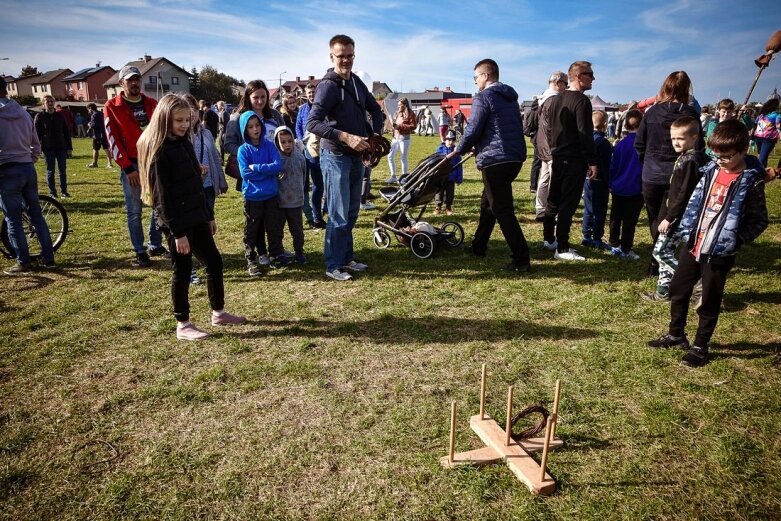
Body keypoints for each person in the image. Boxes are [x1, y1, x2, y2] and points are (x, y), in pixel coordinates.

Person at [647, 119, 768, 367]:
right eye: (716, 154)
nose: (720, 159)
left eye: (726, 156)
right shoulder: (710, 170)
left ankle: (700, 347)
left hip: (719, 252)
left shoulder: (750, 180)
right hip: (694, 243)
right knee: (679, 289)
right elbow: (695, 200)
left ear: (743, 151)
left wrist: (736, 239)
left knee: (710, 300)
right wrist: (687, 230)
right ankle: (676, 334)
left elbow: (759, 220)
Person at [136, 93, 245, 341]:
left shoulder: (185, 142)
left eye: (187, 119)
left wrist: (208, 215)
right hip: (177, 223)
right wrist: (178, 233)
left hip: (197, 215)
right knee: (182, 271)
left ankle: (218, 312)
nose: (185, 125)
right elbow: (163, 200)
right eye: (179, 121)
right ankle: (183, 324)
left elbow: (196, 185)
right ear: (165, 120)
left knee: (214, 262)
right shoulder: (160, 153)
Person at [306, 34, 384, 281]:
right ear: (332, 56)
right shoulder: (328, 86)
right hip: (336, 155)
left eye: (350, 55)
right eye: (341, 56)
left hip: (357, 157)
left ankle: (346, 258)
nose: (346, 60)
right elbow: (312, 123)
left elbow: (375, 109)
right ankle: (332, 264)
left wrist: (374, 135)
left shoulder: (357, 82)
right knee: (338, 213)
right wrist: (345, 136)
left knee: (351, 211)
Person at [448, 58, 530, 272]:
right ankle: (478, 246)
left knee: (502, 209)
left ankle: (521, 259)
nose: (475, 82)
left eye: (475, 78)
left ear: (485, 76)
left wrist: (460, 149)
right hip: (513, 157)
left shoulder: (483, 97)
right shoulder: (509, 98)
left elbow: (474, 127)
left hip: (496, 160)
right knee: (488, 203)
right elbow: (496, 127)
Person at [635, 71, 701, 275]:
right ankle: (660, 258)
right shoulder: (689, 113)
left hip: (654, 173)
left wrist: (647, 163)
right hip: (674, 173)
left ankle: (658, 259)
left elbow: (640, 144)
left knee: (658, 218)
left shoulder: (652, 112)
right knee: (668, 218)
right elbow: (699, 147)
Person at [104, 65, 167, 267]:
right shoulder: (112, 106)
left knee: (158, 205)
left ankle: (155, 244)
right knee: (135, 210)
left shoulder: (152, 103)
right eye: (130, 80)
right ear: (121, 83)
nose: (134, 83)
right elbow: (112, 139)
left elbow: (161, 131)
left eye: (137, 79)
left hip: (153, 162)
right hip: (131, 164)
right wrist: (127, 168)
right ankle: (139, 250)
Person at [643, 116, 709, 301]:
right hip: (678, 214)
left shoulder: (690, 161)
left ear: (694, 137)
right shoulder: (691, 157)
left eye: (680, 138)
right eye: (673, 138)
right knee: (664, 249)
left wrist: (670, 217)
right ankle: (663, 291)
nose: (675, 142)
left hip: (680, 217)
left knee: (661, 252)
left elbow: (684, 194)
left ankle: (694, 282)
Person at [0, 76, 55, 274]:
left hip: (6, 170)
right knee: (36, 215)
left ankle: (24, 261)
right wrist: (28, 159)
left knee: (13, 219)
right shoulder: (23, 113)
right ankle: (49, 258)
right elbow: (36, 143)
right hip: (26, 168)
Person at [543, 61, 597, 261]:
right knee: (568, 203)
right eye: (590, 74)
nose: (593, 78)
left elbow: (548, 129)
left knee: (554, 200)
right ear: (579, 76)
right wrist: (592, 161)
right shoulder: (582, 101)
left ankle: (549, 240)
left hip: (558, 155)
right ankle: (562, 247)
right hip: (573, 158)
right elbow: (585, 133)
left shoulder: (556, 99)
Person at [238, 110, 285, 276]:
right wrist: (267, 170)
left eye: (257, 125)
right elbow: (245, 173)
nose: (255, 129)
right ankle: (251, 259)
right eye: (250, 127)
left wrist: (257, 167)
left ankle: (274, 255)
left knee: (273, 227)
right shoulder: (243, 150)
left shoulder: (270, 146)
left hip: (271, 195)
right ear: (245, 130)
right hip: (252, 196)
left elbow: (277, 166)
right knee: (252, 229)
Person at [607, 109, 645, 259]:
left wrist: (611, 182)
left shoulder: (620, 145)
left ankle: (614, 242)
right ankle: (626, 247)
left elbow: (613, 166)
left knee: (616, 217)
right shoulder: (642, 146)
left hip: (618, 187)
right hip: (635, 188)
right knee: (630, 220)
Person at [534, 71, 568, 222]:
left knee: (545, 178)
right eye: (566, 84)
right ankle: (551, 212)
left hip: (542, 144)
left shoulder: (543, 98)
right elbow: (555, 127)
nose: (566, 87)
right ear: (558, 83)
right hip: (552, 146)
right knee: (554, 181)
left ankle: (541, 209)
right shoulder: (555, 99)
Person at [273, 126, 308, 264]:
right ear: (277, 142)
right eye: (283, 142)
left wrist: (300, 192)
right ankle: (279, 253)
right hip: (279, 202)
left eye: (289, 141)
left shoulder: (299, 157)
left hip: (296, 201)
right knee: (277, 230)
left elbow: (304, 176)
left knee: (297, 230)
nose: (287, 145)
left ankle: (299, 252)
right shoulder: (275, 159)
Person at [296, 81, 325, 229]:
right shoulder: (302, 109)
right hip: (305, 150)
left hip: (319, 149)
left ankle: (318, 214)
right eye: (309, 93)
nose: (312, 95)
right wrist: (302, 142)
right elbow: (298, 127)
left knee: (319, 185)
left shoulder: (323, 107)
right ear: (306, 95)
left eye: (314, 93)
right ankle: (312, 215)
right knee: (305, 184)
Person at [581, 110, 613, 250]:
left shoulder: (585, 140)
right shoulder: (604, 143)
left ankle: (586, 235)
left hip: (587, 179)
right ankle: (597, 237)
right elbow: (607, 165)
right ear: (605, 124)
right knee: (600, 210)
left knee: (588, 208)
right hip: (600, 179)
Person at [34, 95, 72, 198]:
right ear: (43, 104)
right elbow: (36, 134)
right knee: (50, 170)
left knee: (62, 170)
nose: (50, 103)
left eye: (51, 101)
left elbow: (66, 132)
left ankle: (64, 191)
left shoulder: (60, 116)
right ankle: (52, 192)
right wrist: (38, 148)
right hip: (48, 147)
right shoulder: (40, 116)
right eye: (47, 102)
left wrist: (69, 147)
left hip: (61, 146)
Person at [386, 97, 416, 185]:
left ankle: (404, 177)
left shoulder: (411, 114)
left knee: (403, 157)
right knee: (390, 156)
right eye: (398, 104)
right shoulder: (397, 113)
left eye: (400, 105)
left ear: (405, 105)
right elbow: (395, 125)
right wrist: (393, 125)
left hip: (404, 138)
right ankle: (393, 176)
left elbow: (413, 126)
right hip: (395, 138)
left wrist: (400, 126)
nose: (398, 106)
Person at [434, 130, 463, 215]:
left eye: (452, 140)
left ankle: (448, 207)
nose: (450, 142)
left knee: (450, 193)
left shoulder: (456, 153)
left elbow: (459, 166)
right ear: (445, 140)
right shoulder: (439, 150)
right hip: (441, 176)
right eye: (448, 140)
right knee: (439, 192)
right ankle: (438, 206)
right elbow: (435, 163)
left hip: (451, 177)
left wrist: (459, 178)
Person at [752, 98, 780, 167]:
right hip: (768, 139)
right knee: (762, 158)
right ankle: (758, 173)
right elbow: (778, 126)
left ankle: (763, 173)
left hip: (757, 137)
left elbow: (755, 124)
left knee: (762, 157)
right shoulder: (777, 115)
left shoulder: (761, 114)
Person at [86, 103, 114, 168]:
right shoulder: (102, 113)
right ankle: (110, 164)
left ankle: (94, 163)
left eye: (88, 109)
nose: (88, 111)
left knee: (95, 149)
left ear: (90, 108)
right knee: (106, 149)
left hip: (97, 135)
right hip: (104, 133)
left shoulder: (94, 115)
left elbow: (94, 125)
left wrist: (89, 125)